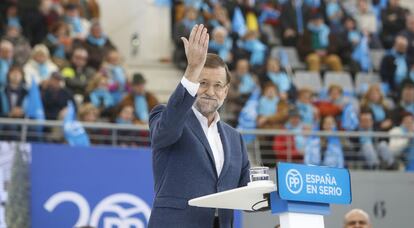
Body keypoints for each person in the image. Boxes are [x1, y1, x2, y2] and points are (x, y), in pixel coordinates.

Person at [148, 24, 250, 228]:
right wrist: (192, 69)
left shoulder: (235, 138)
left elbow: (247, 192)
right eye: (203, 83)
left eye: (218, 85)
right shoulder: (166, 116)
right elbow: (164, 133)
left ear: (226, 91)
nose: (210, 91)